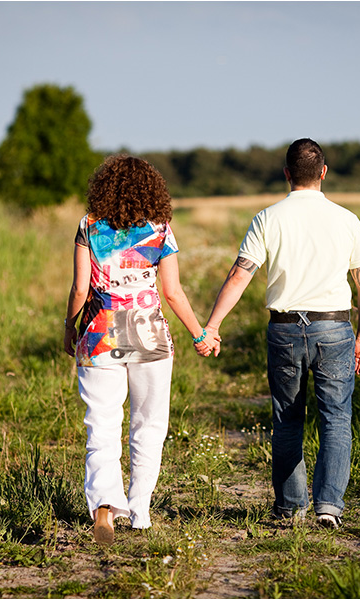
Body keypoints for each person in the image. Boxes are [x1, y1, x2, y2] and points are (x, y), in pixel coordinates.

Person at [203, 138, 360, 529]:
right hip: (335, 328)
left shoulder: (268, 218)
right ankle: (329, 506)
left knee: (287, 419)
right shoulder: (347, 219)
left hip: (283, 331)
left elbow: (239, 274)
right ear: (324, 173)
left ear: (286, 174)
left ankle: (291, 507)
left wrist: (212, 326)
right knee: (335, 418)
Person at [64, 154, 219, 546]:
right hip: (149, 336)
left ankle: (104, 504)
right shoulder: (161, 231)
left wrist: (69, 327)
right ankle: (140, 510)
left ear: (104, 187)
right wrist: (200, 334)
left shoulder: (88, 227)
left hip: (100, 335)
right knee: (149, 424)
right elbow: (172, 292)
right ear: (152, 190)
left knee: (101, 423)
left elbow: (81, 289)